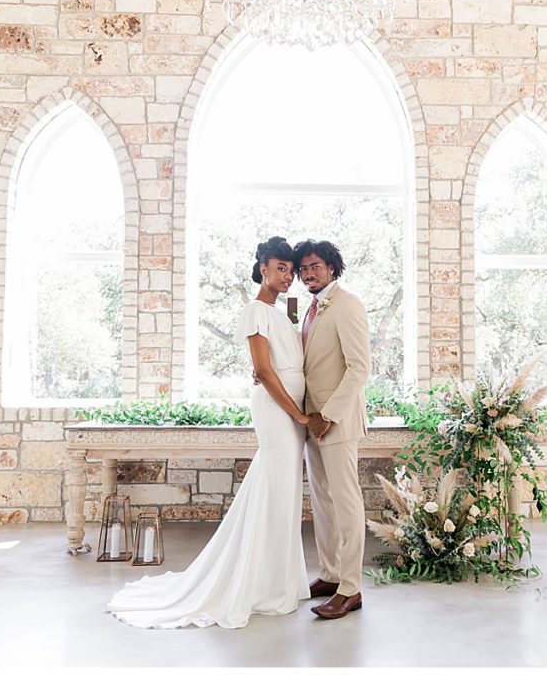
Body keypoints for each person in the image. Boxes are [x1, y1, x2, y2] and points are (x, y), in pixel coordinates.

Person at [106, 236, 311, 629]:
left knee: (283, 493)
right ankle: (260, 585)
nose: (287, 276)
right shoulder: (255, 311)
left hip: (294, 406)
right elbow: (265, 372)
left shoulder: (285, 312)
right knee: (276, 489)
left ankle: (280, 580)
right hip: (277, 409)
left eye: (291, 269)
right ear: (262, 268)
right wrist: (298, 416)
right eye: (279, 268)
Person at [294, 239, 371, 620]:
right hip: (310, 420)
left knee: (345, 501)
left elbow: (360, 367)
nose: (308, 273)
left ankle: (351, 588)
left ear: (331, 267)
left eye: (315, 266)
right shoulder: (307, 310)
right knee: (322, 503)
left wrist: (330, 414)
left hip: (336, 421)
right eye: (303, 268)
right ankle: (330, 574)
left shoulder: (347, 304)